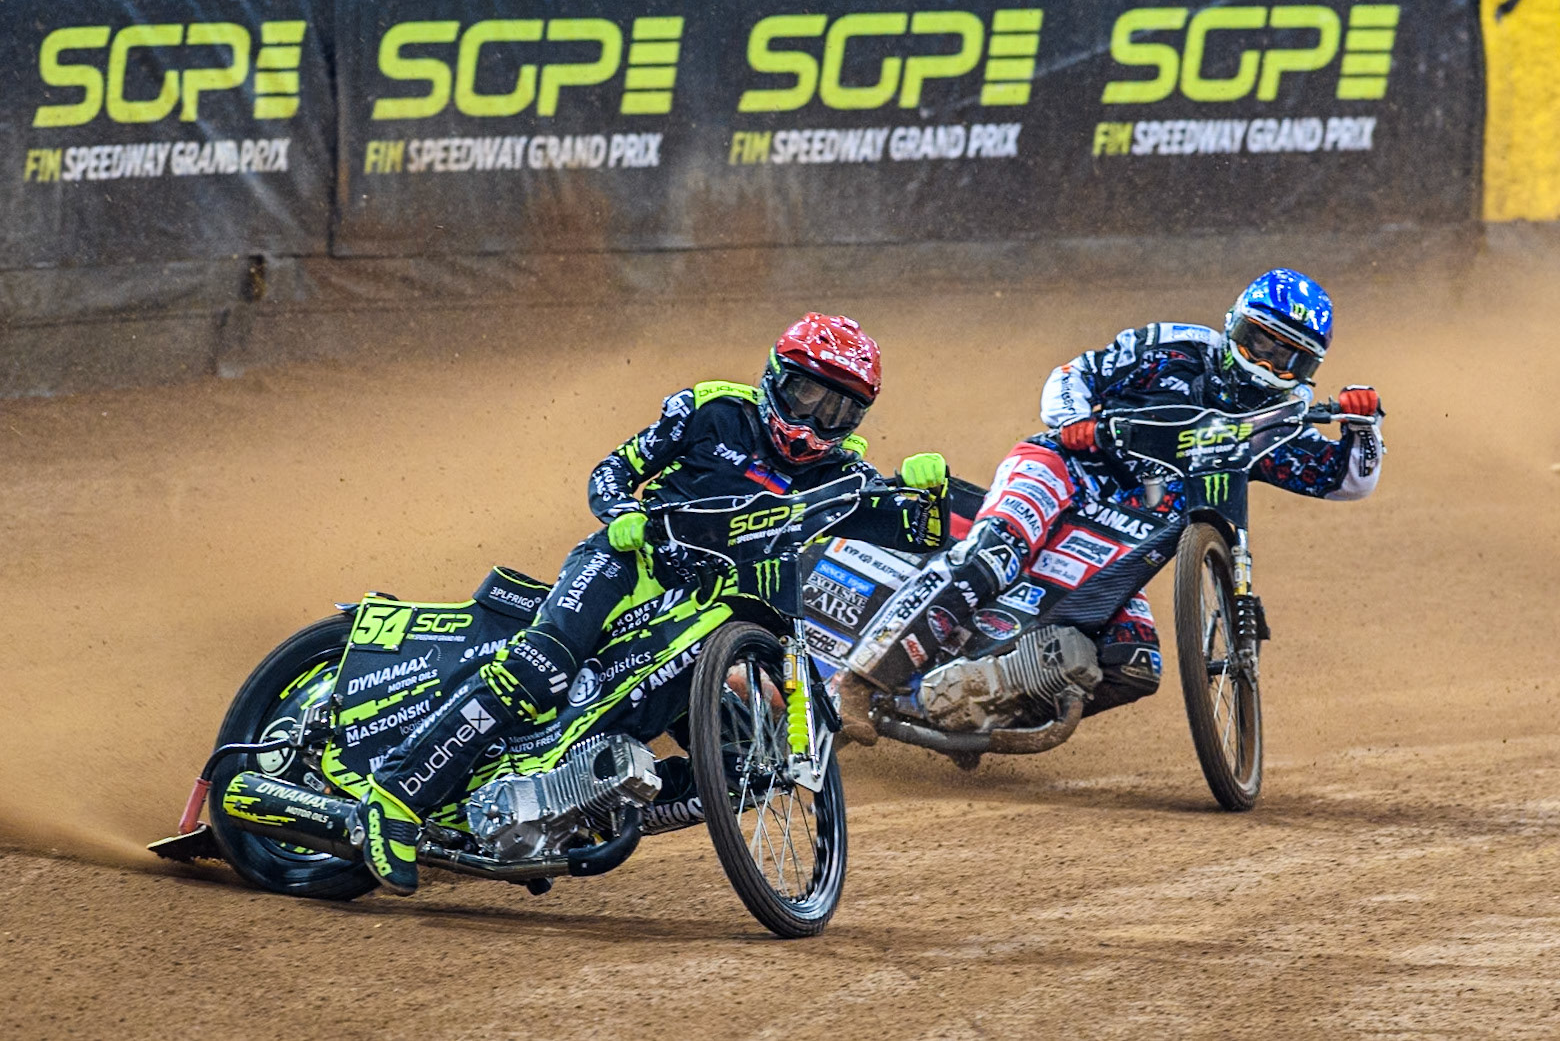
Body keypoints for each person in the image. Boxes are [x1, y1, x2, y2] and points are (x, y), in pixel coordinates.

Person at [359, 313, 950, 893]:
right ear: (775, 378)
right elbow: (612, 471)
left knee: (754, 763)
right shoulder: (712, 412)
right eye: (808, 395)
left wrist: (931, 489)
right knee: (542, 669)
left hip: (702, 620)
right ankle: (396, 797)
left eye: (840, 410)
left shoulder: (844, 476)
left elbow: (922, 534)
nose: (817, 420)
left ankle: (593, 803)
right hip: (628, 565)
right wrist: (623, 516)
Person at [837, 268, 1385, 743]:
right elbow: (1074, 374)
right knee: (993, 556)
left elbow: (1347, 481)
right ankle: (861, 683)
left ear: (1308, 366)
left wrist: (1365, 426)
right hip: (1065, 471)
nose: (1266, 362)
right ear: (1231, 325)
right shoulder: (1173, 345)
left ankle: (978, 713)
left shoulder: (1277, 424)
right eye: (1258, 341)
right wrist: (1072, 423)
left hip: (1123, 538)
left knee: (1134, 662)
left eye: (1287, 357)